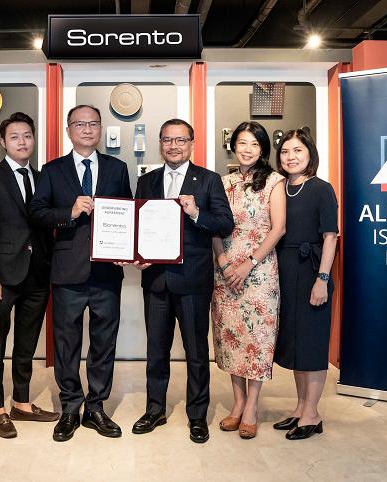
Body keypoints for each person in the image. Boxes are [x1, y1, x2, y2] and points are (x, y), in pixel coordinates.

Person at [29, 105, 133, 442]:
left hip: (107, 272)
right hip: (67, 272)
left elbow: (129, 213)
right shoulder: (52, 170)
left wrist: (129, 251)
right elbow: (37, 213)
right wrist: (69, 212)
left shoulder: (117, 168)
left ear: (100, 128)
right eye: (80, 124)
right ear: (68, 129)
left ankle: (97, 407)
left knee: (104, 343)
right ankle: (71, 406)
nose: (87, 129)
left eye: (93, 123)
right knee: (66, 343)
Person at [131, 119, 234, 444]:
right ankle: (154, 409)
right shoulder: (146, 181)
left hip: (192, 282)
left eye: (180, 140)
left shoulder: (208, 180)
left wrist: (195, 213)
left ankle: (197, 416)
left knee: (196, 352)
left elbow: (225, 224)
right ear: (160, 144)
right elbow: (138, 225)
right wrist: (137, 253)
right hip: (156, 281)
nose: (173, 146)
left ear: (191, 143)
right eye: (167, 140)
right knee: (156, 350)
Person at [0, 112, 59, 439]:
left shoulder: (41, 177)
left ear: (33, 139)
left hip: (37, 275)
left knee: (26, 345)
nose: (22, 142)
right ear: (4, 142)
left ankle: (21, 403)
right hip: (2, 277)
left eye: (27, 136)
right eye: (14, 137)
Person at [211, 121, 286, 439]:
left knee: (256, 341)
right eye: (242, 143)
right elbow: (213, 225)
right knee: (231, 340)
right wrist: (224, 261)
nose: (247, 149)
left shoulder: (274, 181)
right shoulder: (221, 182)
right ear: (233, 146)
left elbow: (278, 228)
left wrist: (249, 263)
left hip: (259, 273)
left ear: (263, 150)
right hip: (225, 271)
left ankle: (252, 406)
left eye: (254, 144)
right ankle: (237, 404)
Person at [272, 129, 338, 440]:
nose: (291, 157)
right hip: (284, 271)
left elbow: (330, 237)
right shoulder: (278, 187)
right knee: (296, 344)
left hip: (312, 270)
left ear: (309, 154)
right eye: (285, 152)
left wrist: (322, 279)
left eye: (297, 151)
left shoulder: (322, 189)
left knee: (311, 345)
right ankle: (300, 408)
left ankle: (313, 413)